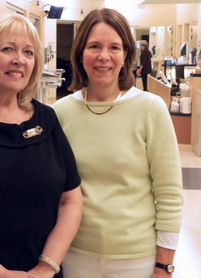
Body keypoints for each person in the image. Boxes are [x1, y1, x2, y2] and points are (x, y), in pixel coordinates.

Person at [53, 8, 183, 278]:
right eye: (94, 46)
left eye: (114, 47)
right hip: (74, 254)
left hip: (137, 259)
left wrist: (164, 265)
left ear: (126, 54)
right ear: (80, 53)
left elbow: (169, 194)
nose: (104, 56)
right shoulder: (60, 113)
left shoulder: (150, 109)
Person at [0, 13, 83, 278]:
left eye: (28, 52)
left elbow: (70, 200)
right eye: (7, 49)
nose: (19, 60)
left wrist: (46, 267)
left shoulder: (46, 119)